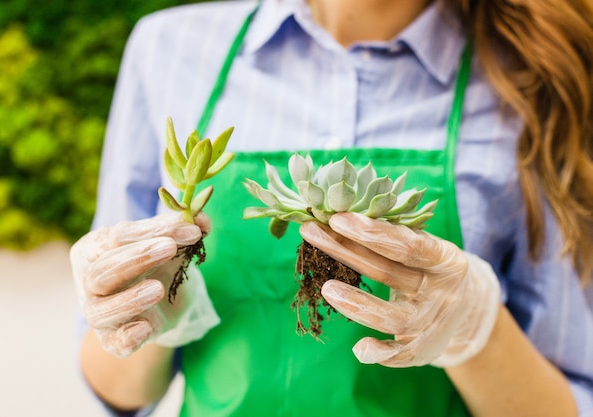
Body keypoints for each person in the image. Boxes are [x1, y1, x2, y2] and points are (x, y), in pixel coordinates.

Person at [69, 0, 593, 416]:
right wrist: (150, 309)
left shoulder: (545, 74)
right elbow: (117, 389)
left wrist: (476, 328)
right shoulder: (170, 48)